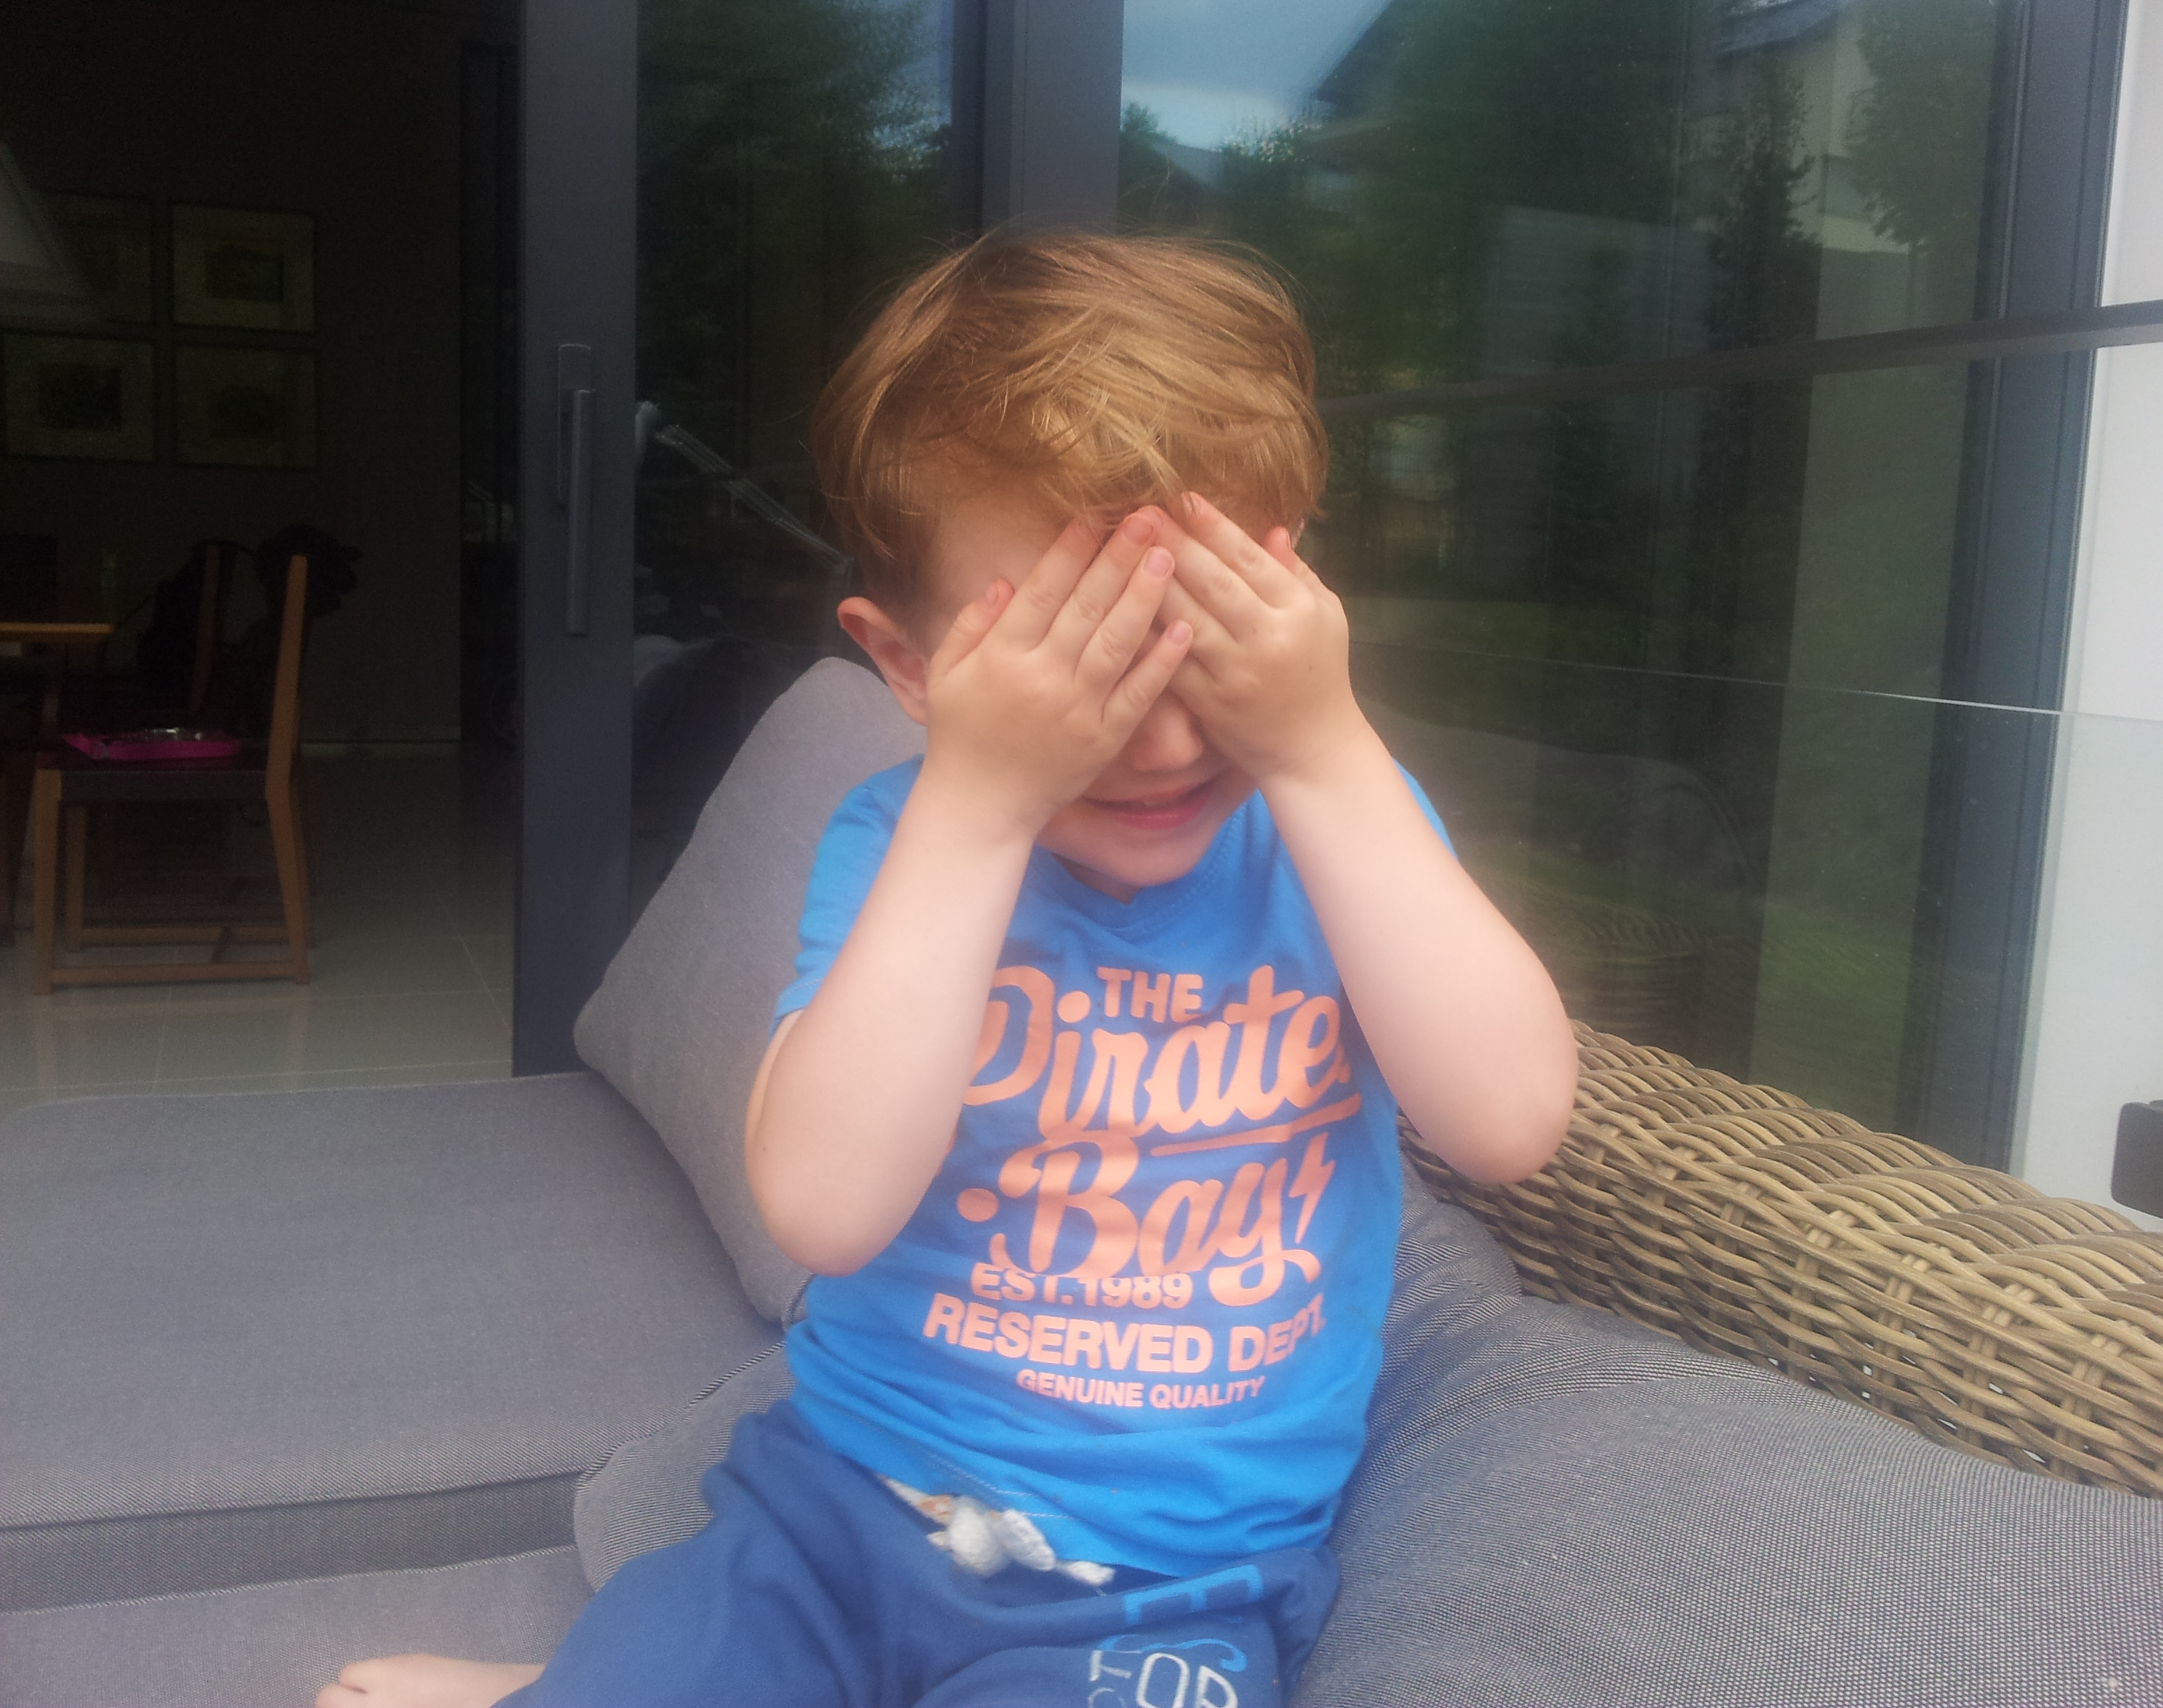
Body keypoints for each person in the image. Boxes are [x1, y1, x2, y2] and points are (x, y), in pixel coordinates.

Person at [320, 233, 1577, 1708]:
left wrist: (1323, 746)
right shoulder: (902, 845)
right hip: (841, 1519)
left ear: (1291, 600)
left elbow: (1507, 1123)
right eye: (1072, 664)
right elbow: (826, 1208)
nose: (1163, 739)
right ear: (909, 668)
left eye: (1198, 648)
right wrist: (978, 808)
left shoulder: (1342, 825)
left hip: (1165, 1584)